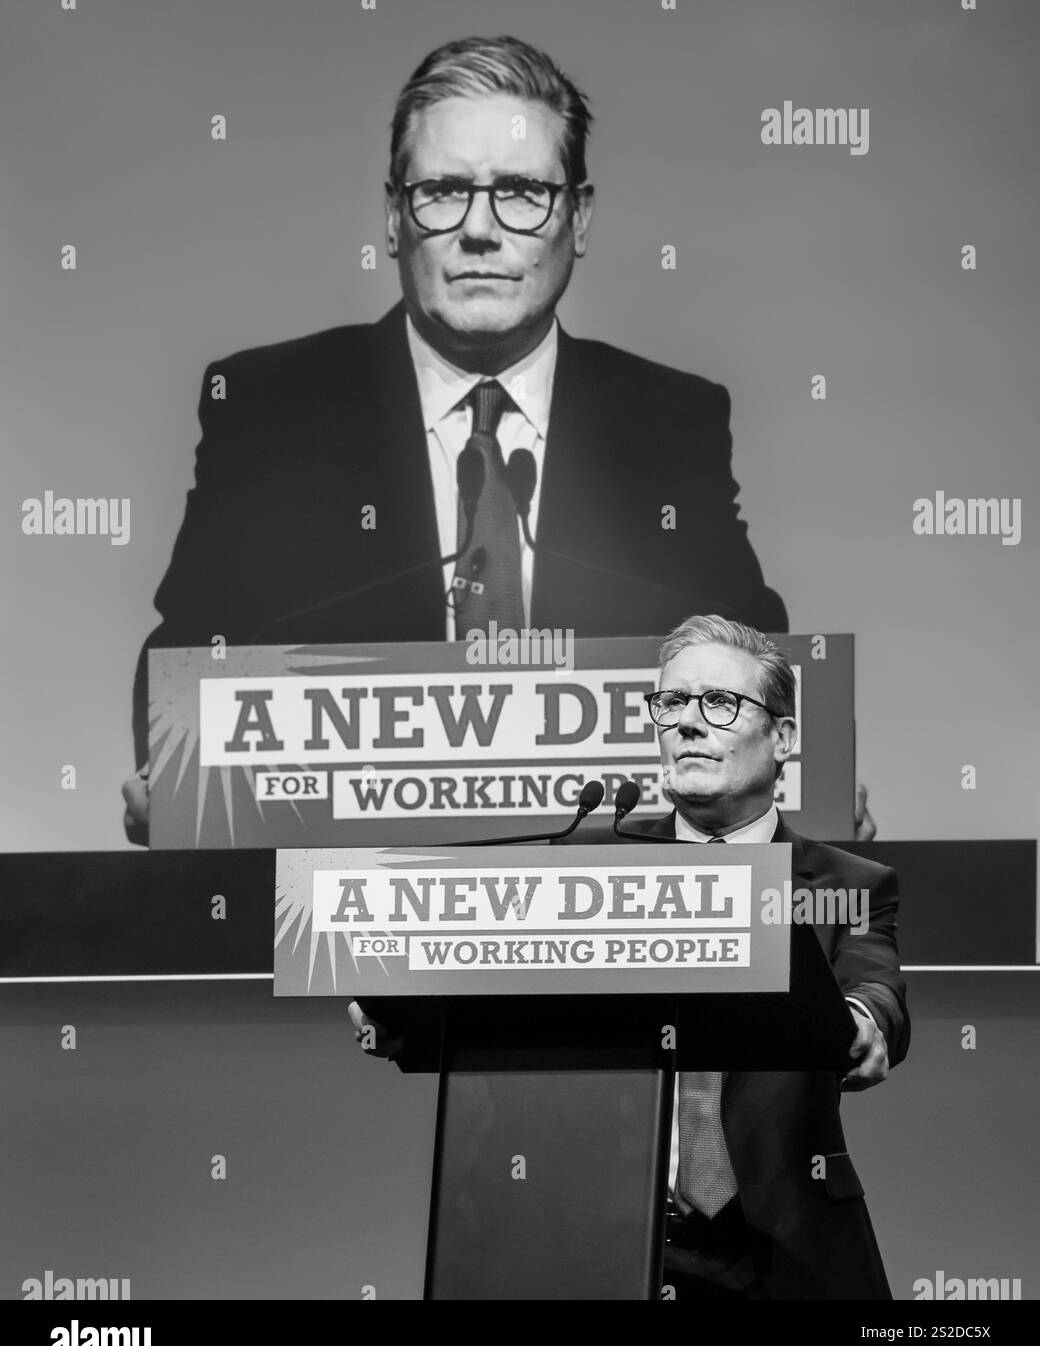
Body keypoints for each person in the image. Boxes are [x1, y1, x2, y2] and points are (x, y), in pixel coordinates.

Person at [122, 34, 787, 843]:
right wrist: (175, 776)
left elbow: (757, 670)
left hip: (605, 933)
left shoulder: (669, 421)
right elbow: (190, 660)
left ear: (578, 218)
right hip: (339, 937)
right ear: (395, 217)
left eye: (521, 191)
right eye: (443, 191)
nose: (481, 229)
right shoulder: (270, 410)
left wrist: (798, 789)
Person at [349, 614, 908, 1300]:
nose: (688, 724)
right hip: (599, 1249)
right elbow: (488, 988)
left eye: (720, 703)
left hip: (782, 1253)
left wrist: (862, 1021)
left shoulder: (849, 885)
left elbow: (874, 991)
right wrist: (398, 998)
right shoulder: (588, 867)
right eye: (671, 703)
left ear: (783, 737)